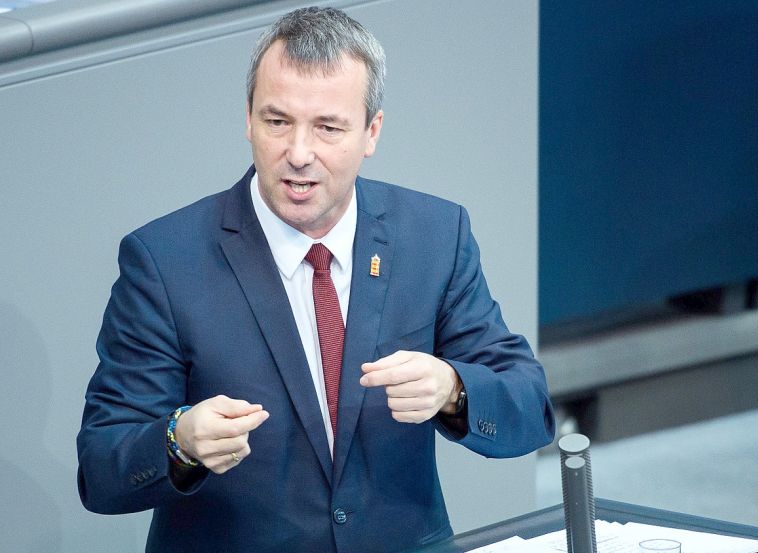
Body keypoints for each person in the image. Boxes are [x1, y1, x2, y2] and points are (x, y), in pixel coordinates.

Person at [76, 6, 555, 552]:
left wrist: (453, 388)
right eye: (277, 122)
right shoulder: (165, 261)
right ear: (248, 118)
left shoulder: (434, 235)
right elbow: (102, 465)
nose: (298, 155)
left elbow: (528, 406)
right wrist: (179, 441)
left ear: (371, 132)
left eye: (328, 128)